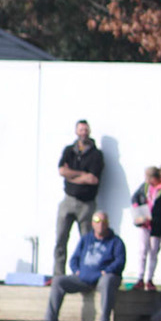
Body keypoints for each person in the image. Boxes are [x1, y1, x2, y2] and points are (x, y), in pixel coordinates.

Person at [38, 209, 125, 321]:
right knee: (58, 281)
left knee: (108, 280)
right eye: (97, 220)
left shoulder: (116, 242)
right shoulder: (86, 239)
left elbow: (120, 262)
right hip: (83, 278)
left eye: (103, 221)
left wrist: (106, 271)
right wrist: (76, 270)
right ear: (92, 223)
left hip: (102, 278)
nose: (100, 224)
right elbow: (74, 259)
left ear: (108, 223)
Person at [54, 119, 104, 280]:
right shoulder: (69, 151)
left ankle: (84, 275)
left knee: (87, 241)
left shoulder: (96, 155)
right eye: (81, 129)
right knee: (61, 238)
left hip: (86, 204)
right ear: (76, 131)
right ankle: (58, 275)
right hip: (68, 200)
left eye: (85, 130)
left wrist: (72, 176)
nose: (83, 132)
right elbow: (62, 171)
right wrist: (82, 175)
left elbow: (93, 179)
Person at [130, 167, 161, 291]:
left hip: (157, 226)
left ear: (155, 178)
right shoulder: (144, 187)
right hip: (145, 224)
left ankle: (149, 279)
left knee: (153, 252)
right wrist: (138, 210)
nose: (148, 181)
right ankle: (140, 278)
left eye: (150, 178)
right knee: (142, 251)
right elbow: (134, 198)